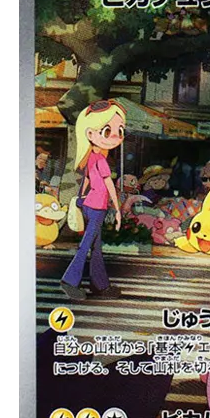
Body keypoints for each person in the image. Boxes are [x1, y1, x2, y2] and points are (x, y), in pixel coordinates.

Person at [59, 100, 126, 301]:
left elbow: (87, 180)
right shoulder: (101, 160)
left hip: (90, 204)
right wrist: (118, 209)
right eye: (107, 131)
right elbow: (109, 185)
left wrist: (81, 197)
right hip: (97, 207)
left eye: (120, 131)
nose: (116, 136)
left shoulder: (91, 157)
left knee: (96, 247)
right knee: (87, 244)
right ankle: (70, 281)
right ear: (90, 133)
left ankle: (100, 285)